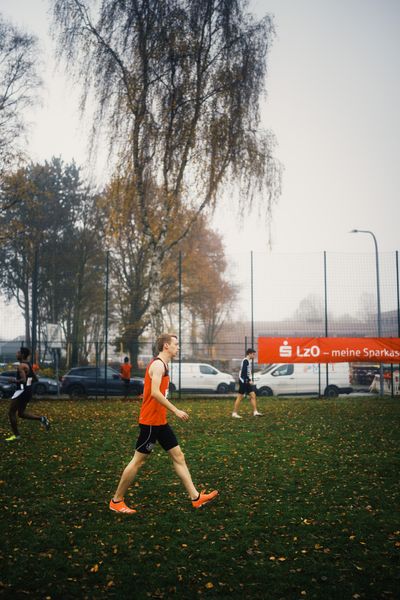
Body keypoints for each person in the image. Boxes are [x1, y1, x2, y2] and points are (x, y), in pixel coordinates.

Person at [109, 333, 218, 514]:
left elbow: (152, 391)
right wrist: (176, 410)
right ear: (166, 346)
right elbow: (155, 393)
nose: (178, 347)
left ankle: (196, 498)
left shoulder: (164, 364)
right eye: (176, 344)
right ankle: (116, 501)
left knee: (179, 456)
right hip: (151, 423)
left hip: (161, 422)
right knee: (138, 461)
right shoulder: (159, 365)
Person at [5, 347, 51, 442]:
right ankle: (42, 419)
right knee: (21, 413)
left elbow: (23, 380)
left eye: (18, 352)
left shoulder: (21, 366)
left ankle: (16, 435)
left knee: (11, 412)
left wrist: (14, 380)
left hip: (21, 391)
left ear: (22, 355)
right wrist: (27, 385)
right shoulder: (28, 365)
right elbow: (35, 379)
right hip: (27, 391)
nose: (16, 354)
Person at [232, 348, 263, 418]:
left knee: (253, 395)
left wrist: (248, 380)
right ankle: (234, 413)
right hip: (243, 381)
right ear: (249, 354)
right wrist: (248, 380)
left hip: (246, 381)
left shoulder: (247, 361)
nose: (254, 356)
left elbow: (246, 372)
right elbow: (243, 372)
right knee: (240, 397)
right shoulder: (245, 361)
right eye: (253, 354)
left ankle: (255, 412)